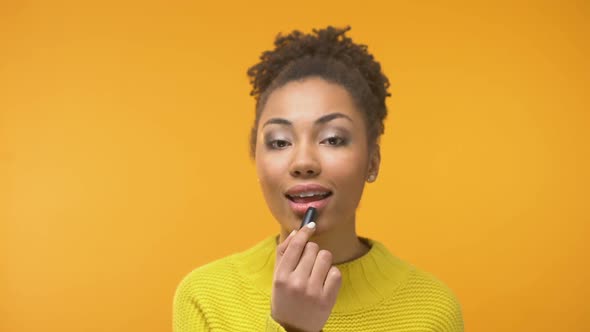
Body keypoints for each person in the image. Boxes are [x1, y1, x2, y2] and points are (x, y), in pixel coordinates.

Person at [173, 26, 464, 332]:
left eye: (333, 139)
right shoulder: (205, 296)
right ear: (256, 158)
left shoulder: (432, 310)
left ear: (372, 161)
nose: (303, 163)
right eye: (280, 142)